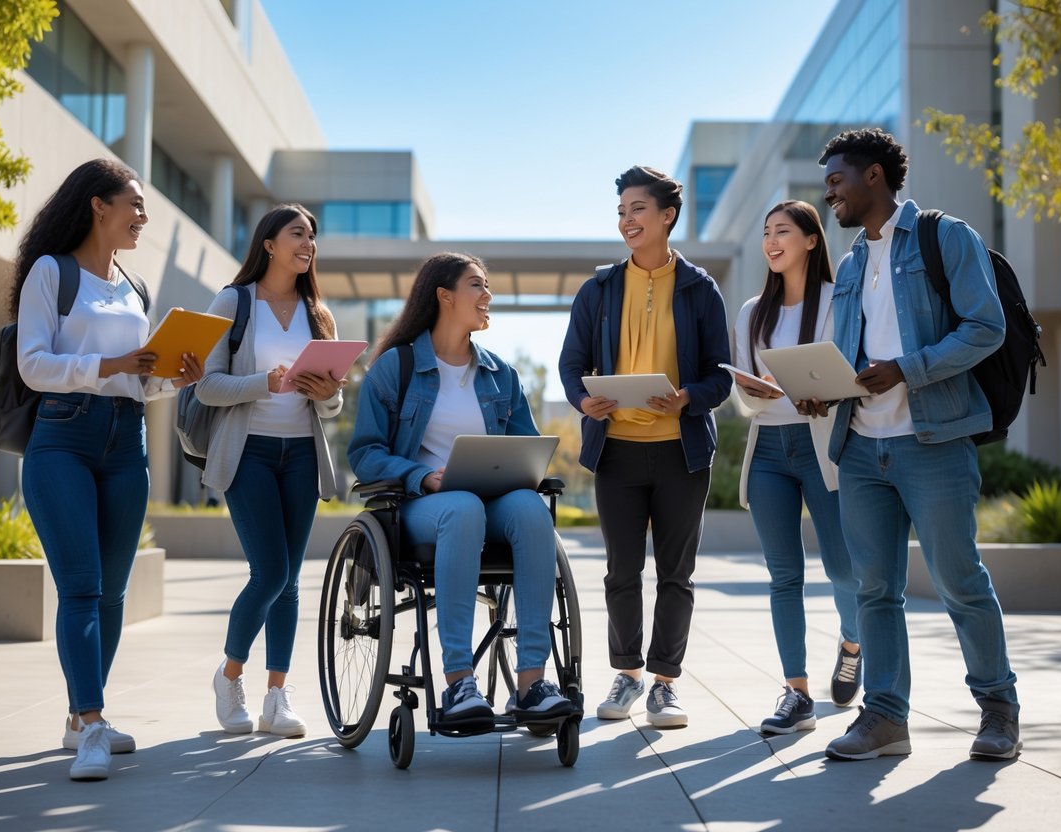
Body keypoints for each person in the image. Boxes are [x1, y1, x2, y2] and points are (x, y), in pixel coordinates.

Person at [810, 127, 1021, 761]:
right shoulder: (849, 264)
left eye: (837, 182)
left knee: (959, 580)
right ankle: (884, 719)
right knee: (874, 590)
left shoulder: (944, 237)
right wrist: (823, 387)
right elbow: (852, 355)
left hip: (933, 439)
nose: (831, 197)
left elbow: (987, 327)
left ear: (874, 176)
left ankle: (998, 711)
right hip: (861, 447)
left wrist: (908, 368)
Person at [13, 158, 202, 781]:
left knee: (114, 592)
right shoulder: (52, 272)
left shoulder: (136, 286)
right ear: (98, 206)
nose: (144, 217)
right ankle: (92, 722)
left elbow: (138, 382)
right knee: (82, 587)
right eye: (135, 205)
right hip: (63, 438)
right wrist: (111, 360)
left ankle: (77, 718)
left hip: (127, 442)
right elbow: (33, 366)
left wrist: (173, 379)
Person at [347, 252, 574, 723]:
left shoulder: (500, 374)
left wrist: (525, 468)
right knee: (462, 508)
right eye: (478, 285)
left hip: (493, 504)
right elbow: (365, 453)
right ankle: (459, 683)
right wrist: (421, 475)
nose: (489, 296)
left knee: (532, 512)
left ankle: (532, 682)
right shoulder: (395, 368)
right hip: (421, 507)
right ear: (445, 296)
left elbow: (527, 446)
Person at [559, 166, 731, 728]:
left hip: (681, 452)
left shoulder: (700, 289)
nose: (627, 220)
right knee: (621, 571)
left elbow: (719, 376)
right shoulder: (600, 288)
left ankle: (665, 683)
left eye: (637, 209)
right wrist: (584, 401)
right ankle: (627, 674)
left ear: (666, 216)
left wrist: (688, 398)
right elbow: (570, 365)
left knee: (676, 573)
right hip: (618, 451)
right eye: (621, 211)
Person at [196, 204, 345, 738]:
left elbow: (331, 409)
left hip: (301, 454)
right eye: (298, 233)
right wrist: (265, 382)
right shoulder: (234, 302)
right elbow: (207, 385)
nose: (309, 243)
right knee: (272, 572)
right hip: (249, 453)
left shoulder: (319, 314)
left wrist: (330, 395)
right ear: (269, 244)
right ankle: (230, 673)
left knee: (290, 581)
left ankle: (276, 698)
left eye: (313, 236)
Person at [731, 200, 862, 735]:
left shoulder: (837, 301)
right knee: (784, 575)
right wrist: (752, 392)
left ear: (811, 239)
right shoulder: (750, 312)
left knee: (843, 568)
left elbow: (849, 374)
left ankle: (853, 644)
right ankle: (796, 693)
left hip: (821, 447)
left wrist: (822, 397)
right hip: (767, 449)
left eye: (782, 231)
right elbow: (742, 396)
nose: (771, 241)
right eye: (766, 233)